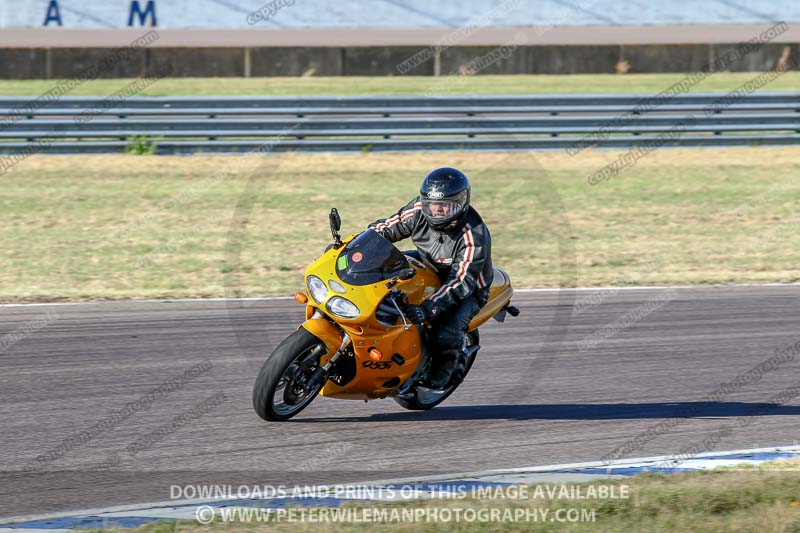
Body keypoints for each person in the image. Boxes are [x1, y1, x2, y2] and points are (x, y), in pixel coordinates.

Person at [368, 167, 494, 388]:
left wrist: (429, 308)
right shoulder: (418, 210)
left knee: (444, 332)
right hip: (430, 265)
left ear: (461, 204)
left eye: (445, 205)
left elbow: (461, 281)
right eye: (432, 204)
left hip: (469, 288)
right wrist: (353, 247)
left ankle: (447, 370)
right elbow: (385, 229)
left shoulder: (473, 235)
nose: (437, 210)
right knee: (382, 275)